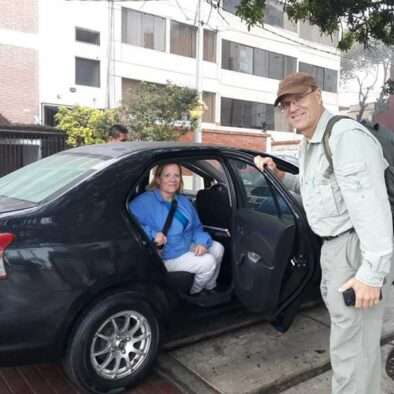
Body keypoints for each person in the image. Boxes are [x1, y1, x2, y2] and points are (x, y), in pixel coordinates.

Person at [254, 72, 393, 394]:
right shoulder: (310, 144)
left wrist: (371, 274)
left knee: (351, 351)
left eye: (298, 98)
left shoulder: (345, 137)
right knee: (355, 349)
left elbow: (373, 209)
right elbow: (315, 190)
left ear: (317, 95)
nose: (292, 108)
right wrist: (279, 175)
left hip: (354, 251)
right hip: (334, 250)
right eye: (286, 104)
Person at [129, 163, 224, 295]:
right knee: (208, 262)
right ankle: (194, 294)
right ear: (158, 179)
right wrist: (152, 234)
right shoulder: (143, 202)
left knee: (218, 248)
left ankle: (209, 287)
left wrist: (201, 242)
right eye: (167, 175)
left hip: (185, 245)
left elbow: (197, 227)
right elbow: (129, 225)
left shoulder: (184, 201)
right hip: (166, 255)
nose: (173, 180)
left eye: (177, 176)